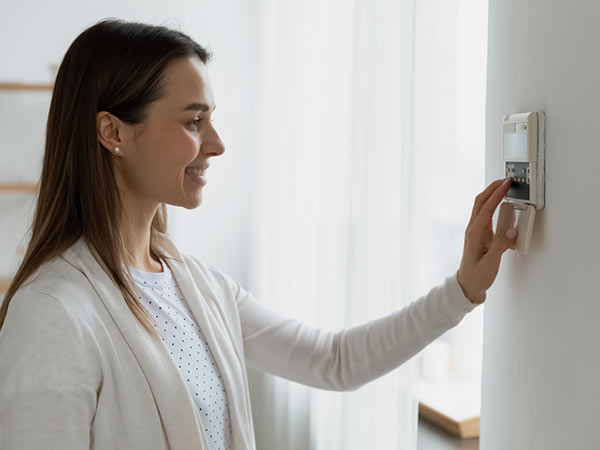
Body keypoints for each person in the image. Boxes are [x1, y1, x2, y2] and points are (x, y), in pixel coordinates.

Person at [0, 18, 517, 450]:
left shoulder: (195, 286)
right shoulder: (54, 312)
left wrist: (462, 290)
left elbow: (333, 361)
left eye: (211, 120)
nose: (217, 143)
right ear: (113, 132)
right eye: (193, 122)